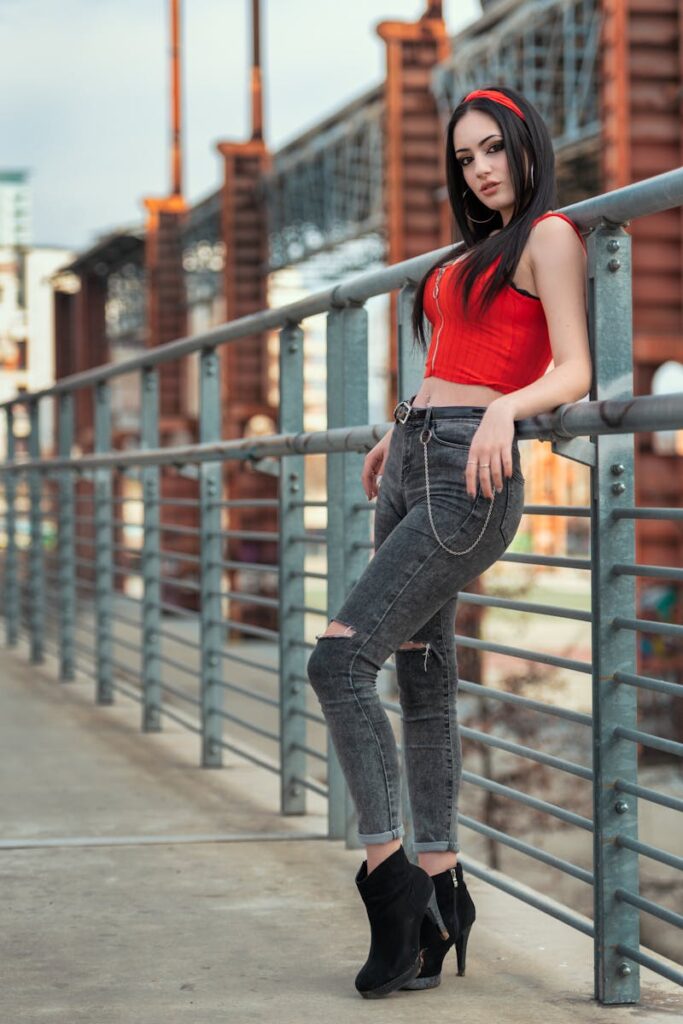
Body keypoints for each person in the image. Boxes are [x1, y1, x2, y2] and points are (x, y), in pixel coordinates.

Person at [307, 84, 592, 999]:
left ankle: (387, 883)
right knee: (422, 687)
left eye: (492, 150)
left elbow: (576, 366)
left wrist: (507, 408)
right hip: (412, 458)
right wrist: (401, 422)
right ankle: (441, 885)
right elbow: (450, 360)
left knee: (338, 664)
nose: (479, 169)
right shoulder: (470, 254)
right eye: (464, 158)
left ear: (524, 145)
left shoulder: (547, 236)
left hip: (468, 476)